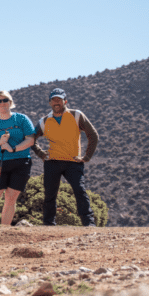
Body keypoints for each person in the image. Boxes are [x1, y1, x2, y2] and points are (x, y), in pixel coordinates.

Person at [31, 88, 100, 227]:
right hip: (52, 162)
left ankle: (89, 223)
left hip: (73, 162)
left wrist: (86, 157)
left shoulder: (76, 115)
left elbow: (93, 135)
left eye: (59, 99)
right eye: (54, 99)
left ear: (65, 101)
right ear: (50, 102)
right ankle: (49, 224)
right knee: (50, 194)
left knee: (80, 191)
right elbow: (31, 138)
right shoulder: (44, 121)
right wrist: (41, 153)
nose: (57, 102)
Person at [0, 91, 35, 226]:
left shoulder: (22, 119)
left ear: (11, 102)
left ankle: (4, 231)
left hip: (20, 162)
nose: (2, 103)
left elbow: (31, 140)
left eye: (5, 100)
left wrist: (14, 148)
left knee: (10, 199)